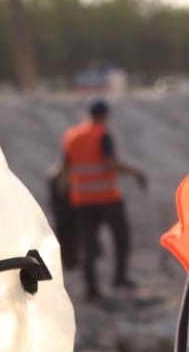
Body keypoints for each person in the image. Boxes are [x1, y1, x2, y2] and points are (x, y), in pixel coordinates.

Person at [60, 99, 148, 301]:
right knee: (121, 237)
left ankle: (91, 289)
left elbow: (65, 167)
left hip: (82, 200)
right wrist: (135, 172)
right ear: (105, 115)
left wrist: (62, 197)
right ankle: (119, 278)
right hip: (107, 198)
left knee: (88, 245)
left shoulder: (72, 135)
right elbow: (110, 164)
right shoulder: (103, 134)